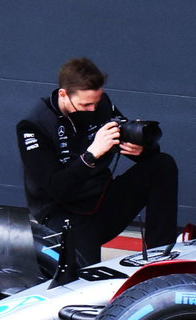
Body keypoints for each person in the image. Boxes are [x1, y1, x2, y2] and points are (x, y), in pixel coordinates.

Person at [17, 56, 179, 266]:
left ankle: (160, 255)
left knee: (162, 165)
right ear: (63, 94)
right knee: (84, 279)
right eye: (85, 104)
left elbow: (136, 146)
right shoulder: (33, 126)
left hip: (102, 201)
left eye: (96, 102)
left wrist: (142, 150)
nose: (93, 109)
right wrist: (90, 156)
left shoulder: (100, 105)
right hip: (63, 215)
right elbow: (55, 189)